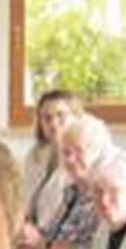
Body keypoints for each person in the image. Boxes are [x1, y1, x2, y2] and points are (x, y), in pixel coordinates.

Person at [18, 114, 114, 249]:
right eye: (66, 152)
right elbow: (51, 239)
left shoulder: (104, 200)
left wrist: (40, 243)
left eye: (78, 151)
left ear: (99, 153)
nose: (69, 159)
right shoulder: (72, 192)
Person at [21, 89, 83, 229]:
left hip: (61, 238)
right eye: (47, 118)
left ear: (76, 117)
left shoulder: (83, 158)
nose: (54, 123)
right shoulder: (35, 154)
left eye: (61, 115)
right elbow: (24, 199)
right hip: (33, 234)